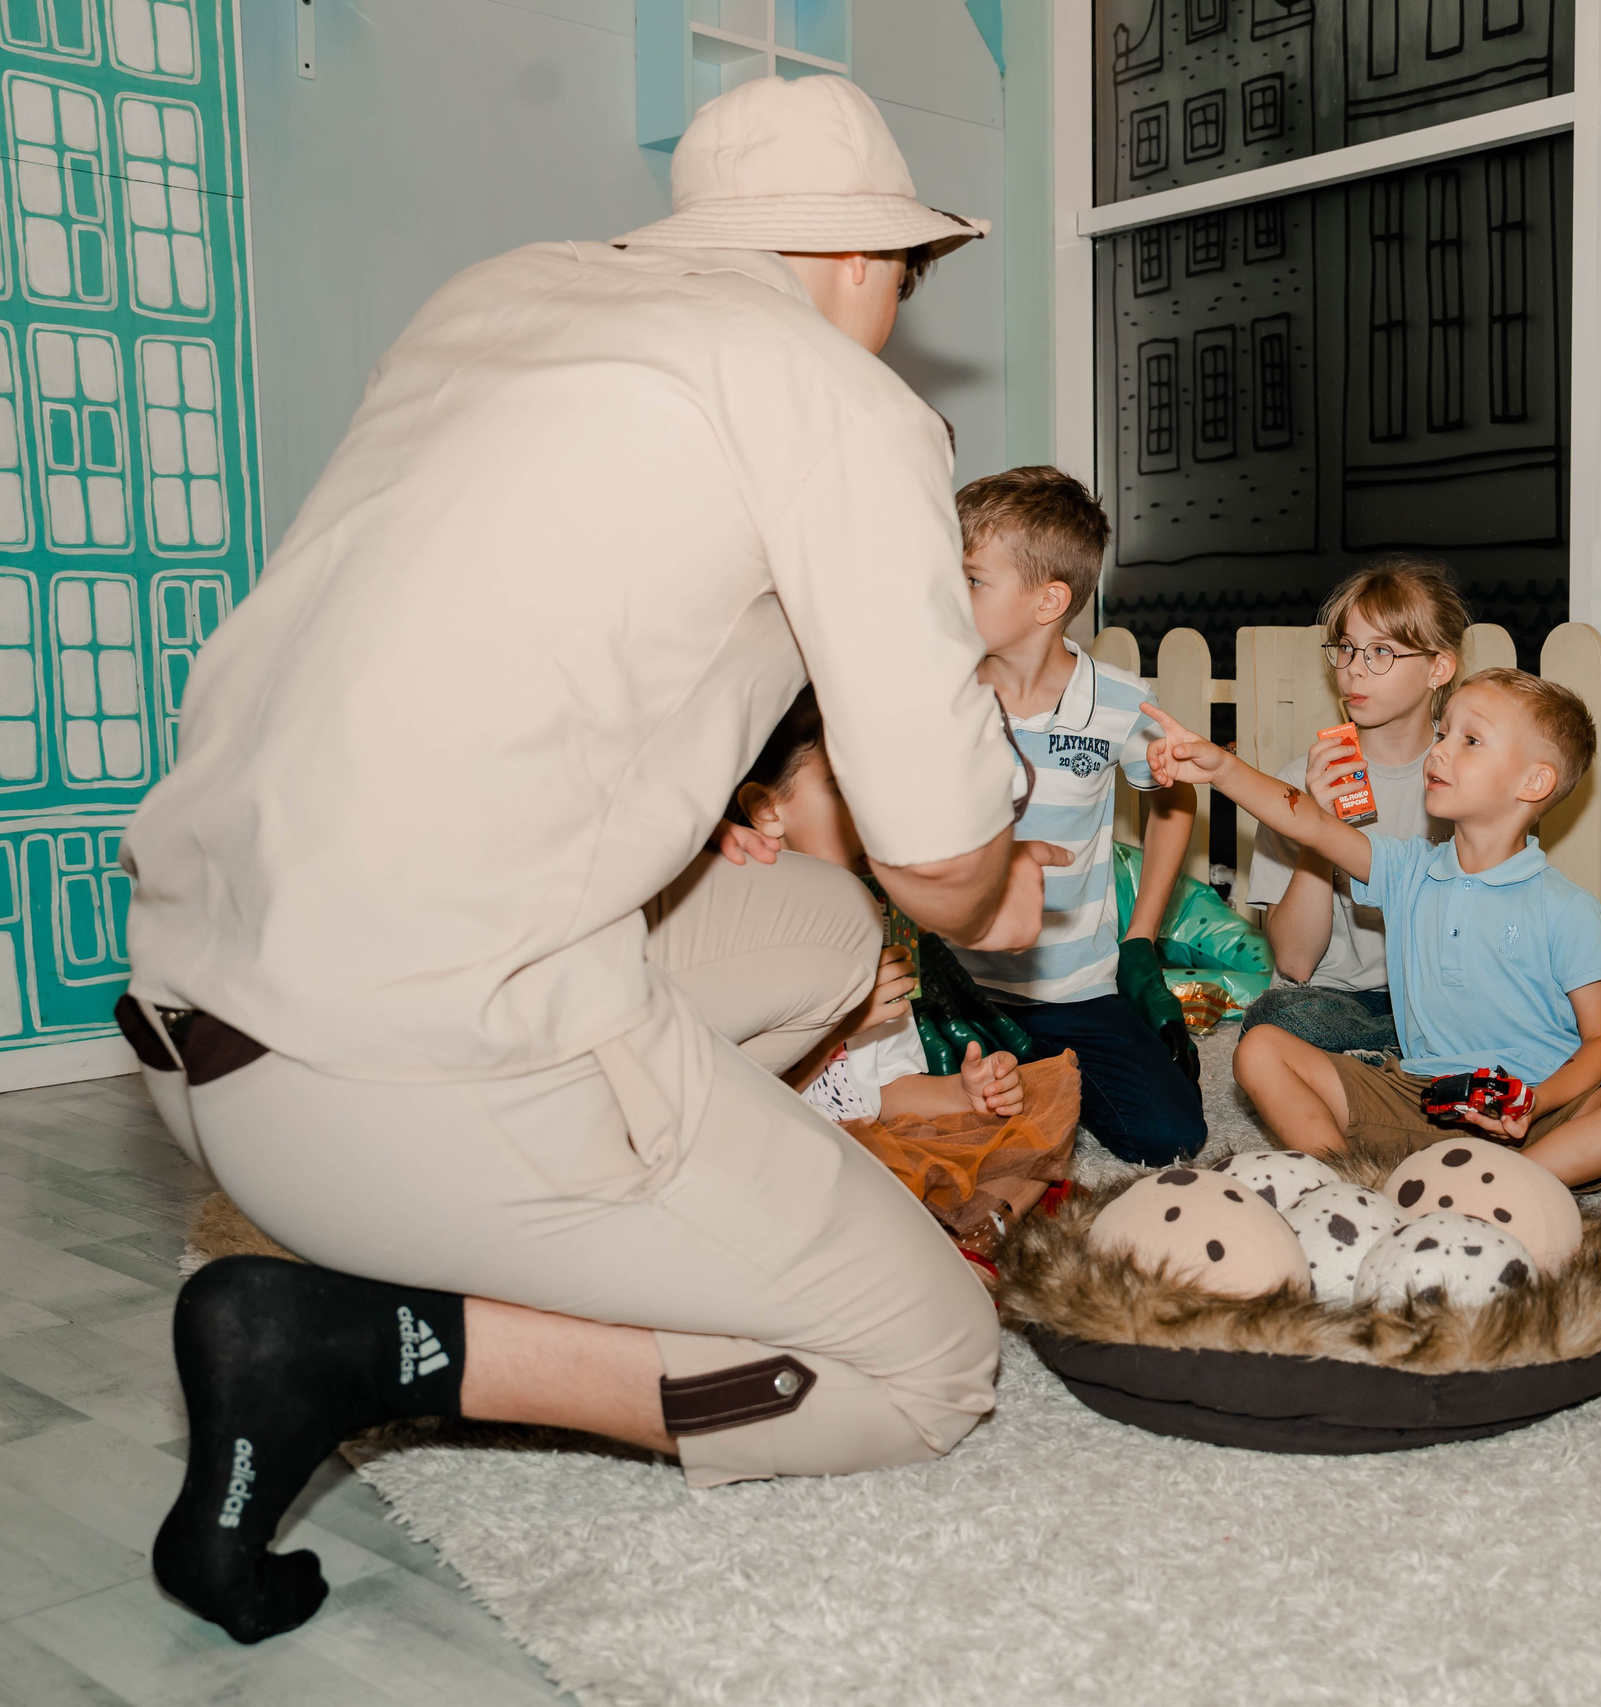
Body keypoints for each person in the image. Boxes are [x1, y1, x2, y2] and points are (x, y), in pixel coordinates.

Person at [116, 76, 1065, 1646]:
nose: (901, 308)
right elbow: (952, 865)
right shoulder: (836, 397)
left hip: (197, 1027)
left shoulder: (491, 303)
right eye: (910, 272)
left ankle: (664, 1218)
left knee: (819, 929)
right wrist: (1010, 892)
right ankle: (359, 1344)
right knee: (932, 1361)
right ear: (865, 259)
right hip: (407, 1072)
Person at [1151, 670, 1601, 1187]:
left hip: (1535, 1111)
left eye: (1470, 739)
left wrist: (1537, 1101)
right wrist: (1220, 767)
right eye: (1444, 732)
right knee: (1260, 1049)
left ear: (1534, 782)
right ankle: (1345, 1186)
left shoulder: (1565, 906)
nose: (1440, 750)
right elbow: (1309, 823)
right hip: (1423, 1101)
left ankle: (1519, 1182)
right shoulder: (1408, 871)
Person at [711, 685, 1079, 1282]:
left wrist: (963, 1095)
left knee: (1038, 1104)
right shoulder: (738, 920)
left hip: (868, 1134)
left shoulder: (879, 920)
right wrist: (840, 1022)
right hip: (774, 1145)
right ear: (766, 809)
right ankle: (914, 1247)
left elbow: (878, 1091)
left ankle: (972, 1236)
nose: (872, 815)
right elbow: (733, 1098)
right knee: (842, 1179)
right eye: (842, 790)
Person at [951, 466, 1206, 1165]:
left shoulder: (1119, 700)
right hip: (951, 985)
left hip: (1070, 989)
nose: (949, 590)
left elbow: (1175, 801)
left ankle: (1037, 1077)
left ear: (1049, 600)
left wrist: (1142, 936)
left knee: (1174, 1135)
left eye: (971, 578)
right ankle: (1009, 1081)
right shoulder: (940, 694)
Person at [1239, 557, 1462, 1052]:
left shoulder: (1464, 778)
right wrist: (1318, 826)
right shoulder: (1300, 781)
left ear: (1438, 668)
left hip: (1436, 993)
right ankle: (1408, 1054)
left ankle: (1393, 1056)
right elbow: (1296, 963)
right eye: (1346, 648)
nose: (1354, 669)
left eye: (1381, 651)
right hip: (1334, 1000)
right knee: (1273, 1018)